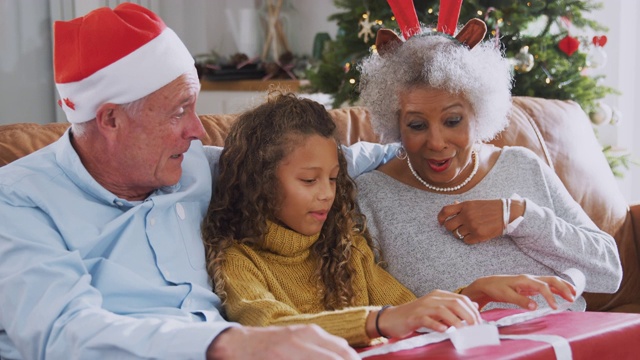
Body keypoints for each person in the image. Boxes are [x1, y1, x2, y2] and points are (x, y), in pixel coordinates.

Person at [0, 4, 398, 360]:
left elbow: (324, 161)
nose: (197, 130)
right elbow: (61, 334)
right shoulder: (17, 201)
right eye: (179, 111)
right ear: (110, 120)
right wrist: (227, 343)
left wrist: (446, 162)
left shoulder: (189, 165)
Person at [201, 91, 576, 347]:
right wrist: (376, 321)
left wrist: (473, 293)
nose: (326, 193)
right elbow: (267, 330)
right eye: (308, 180)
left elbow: (407, 310)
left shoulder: (344, 245)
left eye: (333, 179)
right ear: (259, 182)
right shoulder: (239, 260)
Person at [355, 5, 622, 312]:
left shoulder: (521, 165)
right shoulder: (371, 195)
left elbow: (609, 272)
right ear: (395, 122)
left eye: (453, 120)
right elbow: (368, 310)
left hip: (566, 343)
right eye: (416, 125)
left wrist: (519, 217)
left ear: (478, 113)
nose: (437, 142)